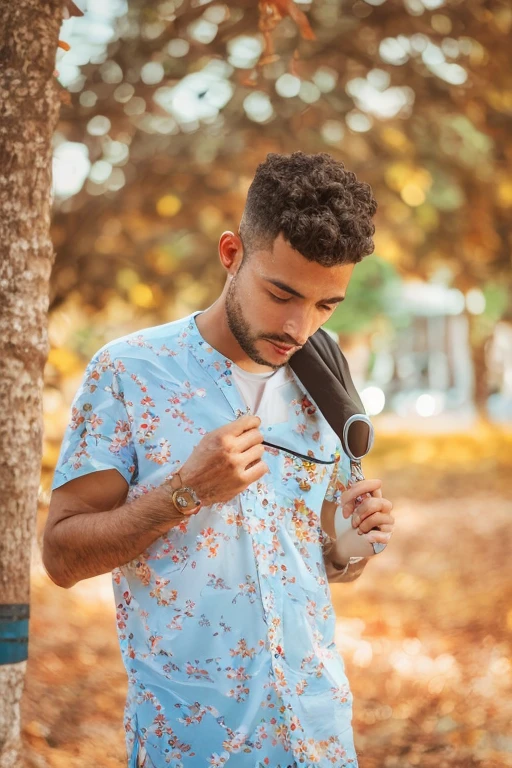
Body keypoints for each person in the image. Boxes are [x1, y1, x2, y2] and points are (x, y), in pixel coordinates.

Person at [43, 151, 395, 768]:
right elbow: (62, 556)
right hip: (193, 744)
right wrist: (187, 491)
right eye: (281, 292)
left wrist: (347, 545)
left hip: (320, 736)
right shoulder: (128, 373)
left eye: (324, 306)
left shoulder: (328, 386)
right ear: (231, 254)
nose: (298, 326)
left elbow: (316, 562)